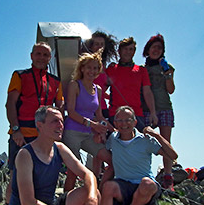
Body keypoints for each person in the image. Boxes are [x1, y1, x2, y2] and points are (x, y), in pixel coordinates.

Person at [0, 42, 64, 205]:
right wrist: (15, 129)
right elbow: (11, 103)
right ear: (31, 56)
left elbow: (59, 106)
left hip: (43, 134)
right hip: (22, 133)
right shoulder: (20, 76)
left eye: (45, 55)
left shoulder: (55, 81)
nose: (42, 57)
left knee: (43, 174)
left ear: (50, 59)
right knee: (16, 175)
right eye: (38, 54)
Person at [90, 106, 178, 205]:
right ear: (116, 123)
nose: (124, 124)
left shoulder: (146, 140)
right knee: (108, 187)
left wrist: (156, 135)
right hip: (123, 185)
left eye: (128, 120)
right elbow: (100, 146)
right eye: (120, 120)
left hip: (145, 185)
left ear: (135, 122)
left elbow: (173, 156)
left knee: (147, 183)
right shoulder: (113, 139)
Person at [63, 51, 114, 192]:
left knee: (111, 160)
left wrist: (109, 128)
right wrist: (93, 125)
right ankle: (65, 204)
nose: (92, 71)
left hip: (88, 134)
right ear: (82, 68)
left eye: (95, 68)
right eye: (89, 67)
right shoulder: (74, 85)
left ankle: (100, 192)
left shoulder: (97, 90)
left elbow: (99, 116)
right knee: (73, 171)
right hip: (72, 132)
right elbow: (71, 111)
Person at [142, 34, 176, 191]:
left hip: (165, 107)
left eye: (159, 48)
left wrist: (167, 73)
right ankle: (144, 174)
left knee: (165, 142)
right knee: (144, 142)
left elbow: (171, 89)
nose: (156, 50)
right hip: (146, 109)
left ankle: (168, 177)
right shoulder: (142, 70)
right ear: (147, 50)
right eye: (153, 47)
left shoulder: (168, 68)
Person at [105, 37, 158, 132]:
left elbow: (147, 92)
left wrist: (153, 113)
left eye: (131, 49)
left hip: (136, 115)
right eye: (125, 49)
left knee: (140, 145)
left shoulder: (141, 70)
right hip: (116, 116)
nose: (128, 52)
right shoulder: (111, 70)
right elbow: (99, 90)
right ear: (119, 51)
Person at [85, 31, 118, 118]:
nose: (99, 47)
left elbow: (101, 90)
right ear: (90, 46)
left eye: (102, 44)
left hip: (102, 107)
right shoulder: (85, 65)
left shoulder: (103, 66)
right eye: (96, 44)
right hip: (90, 107)